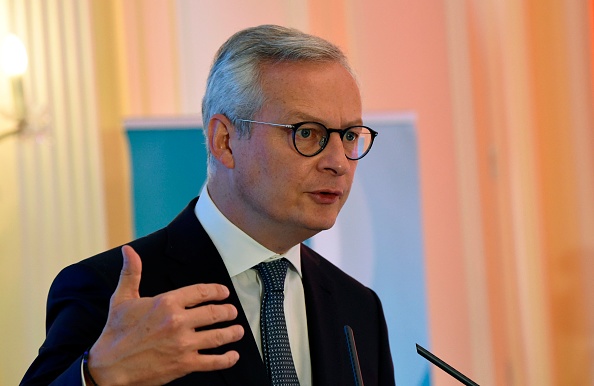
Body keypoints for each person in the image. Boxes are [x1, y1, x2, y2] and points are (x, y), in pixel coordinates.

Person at [21, 24, 395, 386]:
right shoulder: (110, 292)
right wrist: (98, 377)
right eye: (308, 133)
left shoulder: (358, 307)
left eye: (348, 135)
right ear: (225, 141)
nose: (339, 162)